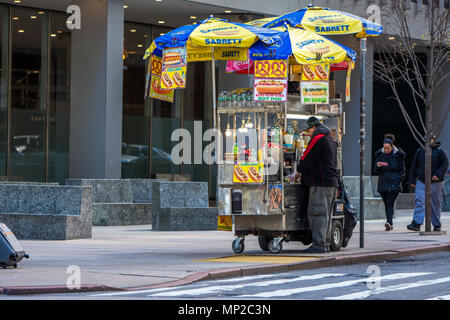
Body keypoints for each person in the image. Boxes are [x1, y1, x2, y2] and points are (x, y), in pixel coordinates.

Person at [292, 117, 339, 253]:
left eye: (309, 130)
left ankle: (319, 244)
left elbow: (307, 157)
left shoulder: (318, 138)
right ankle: (325, 243)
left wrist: (299, 170)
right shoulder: (330, 139)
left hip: (320, 182)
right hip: (330, 182)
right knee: (326, 215)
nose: (309, 133)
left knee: (318, 213)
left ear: (313, 127)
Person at [407, 135, 449, 232]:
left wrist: (438, 174)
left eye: (429, 139)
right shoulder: (420, 151)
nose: (427, 141)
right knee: (419, 201)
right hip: (422, 180)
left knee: (435, 204)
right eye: (426, 140)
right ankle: (417, 223)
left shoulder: (440, 151)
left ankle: (437, 224)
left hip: (436, 182)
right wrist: (412, 180)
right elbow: (414, 165)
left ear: (434, 140)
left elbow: (445, 164)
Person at [373, 134, 406, 231]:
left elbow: (403, 170)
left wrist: (398, 179)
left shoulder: (398, 156)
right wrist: (378, 166)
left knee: (390, 203)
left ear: (392, 147)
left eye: (388, 148)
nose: (386, 150)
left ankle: (389, 222)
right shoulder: (380, 156)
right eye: (385, 148)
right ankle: (389, 222)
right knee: (387, 203)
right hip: (383, 183)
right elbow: (375, 170)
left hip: (394, 183)